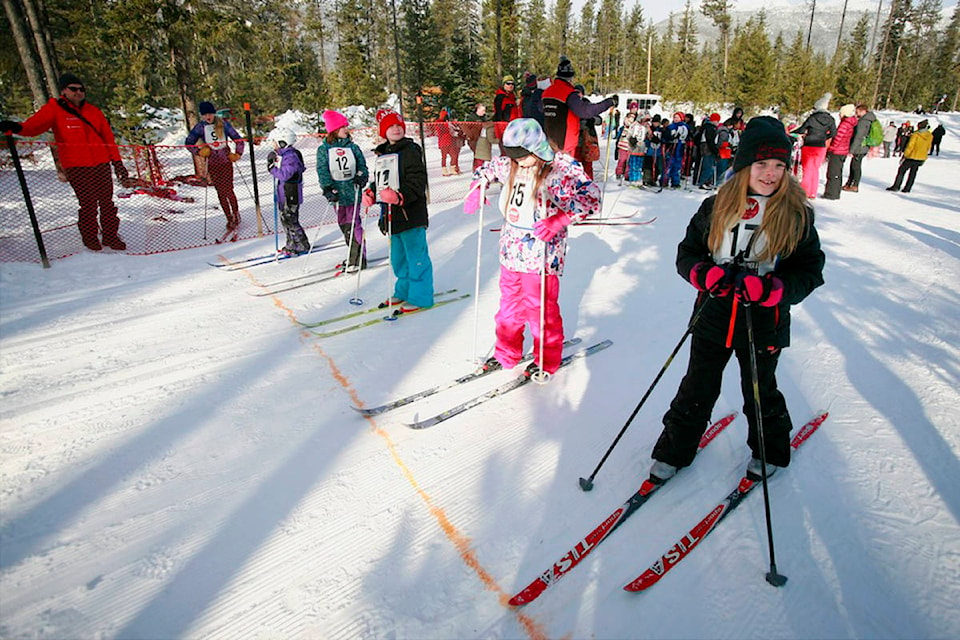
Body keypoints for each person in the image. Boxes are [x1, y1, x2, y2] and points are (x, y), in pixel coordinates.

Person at [647, 116, 825, 484]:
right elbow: (687, 254)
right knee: (697, 386)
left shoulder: (796, 214)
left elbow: (809, 272)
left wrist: (774, 290)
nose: (771, 173)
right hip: (713, 316)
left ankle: (769, 449)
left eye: (779, 165)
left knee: (759, 390)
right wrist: (705, 274)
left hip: (764, 323)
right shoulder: (716, 206)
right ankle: (674, 450)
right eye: (761, 164)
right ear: (744, 165)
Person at [464, 118, 600, 377]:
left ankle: (546, 358)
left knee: (540, 309)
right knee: (509, 307)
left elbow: (591, 197)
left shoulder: (560, 168)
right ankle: (506, 352)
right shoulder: (511, 164)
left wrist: (561, 218)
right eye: (513, 156)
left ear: (537, 147)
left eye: (523, 156)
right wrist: (477, 187)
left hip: (541, 254)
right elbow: (487, 169)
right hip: (511, 250)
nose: (519, 161)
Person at [1, 72, 132, 251]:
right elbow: (34, 126)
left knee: (107, 202)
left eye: (81, 89)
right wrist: (18, 127)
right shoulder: (54, 109)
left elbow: (107, 138)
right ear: (64, 90)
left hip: (100, 163)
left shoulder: (93, 112)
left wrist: (117, 163)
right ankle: (90, 236)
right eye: (73, 89)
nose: (78, 92)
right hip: (77, 166)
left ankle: (110, 235)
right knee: (88, 203)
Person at [362, 110, 433, 312]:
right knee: (398, 259)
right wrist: (371, 192)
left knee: (416, 257)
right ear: (383, 131)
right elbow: (382, 180)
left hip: (410, 214)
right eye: (390, 126)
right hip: (392, 217)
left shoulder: (411, 151)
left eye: (399, 125)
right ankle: (403, 290)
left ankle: (421, 296)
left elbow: (417, 181)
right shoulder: (383, 153)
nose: (396, 128)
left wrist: (400, 196)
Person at [185, 101, 245, 243]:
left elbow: (238, 140)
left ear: (214, 113)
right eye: (205, 114)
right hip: (212, 164)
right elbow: (188, 142)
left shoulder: (223, 124)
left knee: (228, 190)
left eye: (210, 113)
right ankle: (228, 218)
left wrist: (237, 154)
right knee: (220, 192)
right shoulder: (200, 127)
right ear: (201, 115)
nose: (208, 117)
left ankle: (236, 215)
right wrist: (199, 151)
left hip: (225, 162)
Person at [317, 109, 368, 270]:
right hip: (337, 194)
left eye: (346, 126)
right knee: (343, 224)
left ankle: (359, 258)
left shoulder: (353, 147)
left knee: (354, 223)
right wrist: (327, 188)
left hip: (352, 191)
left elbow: (362, 166)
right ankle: (353, 254)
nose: (346, 129)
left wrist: (362, 177)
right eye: (342, 127)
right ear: (333, 130)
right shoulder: (324, 149)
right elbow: (322, 170)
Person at [542, 57, 617, 157]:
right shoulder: (568, 93)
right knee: (565, 171)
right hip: (565, 145)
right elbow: (586, 111)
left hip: (549, 141)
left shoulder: (546, 92)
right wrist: (609, 102)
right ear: (570, 78)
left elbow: (540, 108)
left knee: (552, 171)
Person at [266, 127, 310, 256]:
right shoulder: (283, 155)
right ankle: (291, 242)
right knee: (285, 219)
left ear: (282, 141)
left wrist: (271, 168)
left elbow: (286, 174)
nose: (272, 145)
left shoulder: (291, 156)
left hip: (290, 193)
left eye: (274, 142)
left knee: (290, 219)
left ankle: (301, 243)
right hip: (283, 193)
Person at [792, 93, 835, 199]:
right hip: (820, 147)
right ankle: (812, 193)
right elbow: (834, 133)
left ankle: (804, 191)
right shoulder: (830, 119)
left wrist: (793, 132)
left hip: (809, 145)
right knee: (815, 169)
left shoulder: (812, 118)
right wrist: (824, 137)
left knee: (807, 169)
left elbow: (802, 129)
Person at [886, 119, 933, 193]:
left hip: (911, 156)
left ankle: (896, 186)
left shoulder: (916, 135)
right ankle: (907, 188)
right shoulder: (929, 135)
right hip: (921, 157)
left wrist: (905, 155)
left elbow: (910, 146)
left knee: (901, 171)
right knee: (913, 173)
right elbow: (928, 146)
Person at [823, 104, 856, 200]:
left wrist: (831, 148)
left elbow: (838, 138)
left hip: (837, 151)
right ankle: (835, 192)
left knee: (833, 173)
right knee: (837, 172)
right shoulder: (850, 123)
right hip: (843, 150)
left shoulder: (845, 124)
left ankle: (831, 194)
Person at [843, 104, 877, 193]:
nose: (856, 113)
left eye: (857, 112)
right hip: (863, 146)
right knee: (854, 165)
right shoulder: (869, 120)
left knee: (855, 167)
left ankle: (854, 185)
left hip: (860, 148)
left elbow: (858, 137)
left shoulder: (863, 122)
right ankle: (850, 183)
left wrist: (851, 150)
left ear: (863, 111)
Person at [573, 84, 601, 179]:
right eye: (575, 92)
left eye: (579, 92)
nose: (577, 95)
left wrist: (591, 119)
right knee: (575, 165)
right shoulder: (571, 105)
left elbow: (599, 120)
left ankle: (588, 185)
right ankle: (576, 184)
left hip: (589, 141)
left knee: (588, 165)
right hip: (576, 141)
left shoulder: (588, 105)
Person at [464, 103, 495, 171]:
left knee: (479, 154)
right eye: (482, 110)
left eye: (484, 110)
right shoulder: (472, 117)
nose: (484, 112)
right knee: (477, 154)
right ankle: (477, 168)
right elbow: (465, 127)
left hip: (481, 139)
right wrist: (470, 136)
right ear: (477, 109)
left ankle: (480, 168)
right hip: (473, 139)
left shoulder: (483, 117)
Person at [436, 107, 464, 176]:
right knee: (444, 156)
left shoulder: (448, 122)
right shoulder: (439, 123)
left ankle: (453, 168)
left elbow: (452, 129)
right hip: (443, 142)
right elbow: (442, 131)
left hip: (450, 141)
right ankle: (444, 169)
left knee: (453, 155)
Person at [697, 113, 721, 189]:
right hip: (707, 148)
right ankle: (703, 182)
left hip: (707, 147)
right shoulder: (710, 128)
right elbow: (710, 140)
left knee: (709, 165)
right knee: (707, 165)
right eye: (717, 121)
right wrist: (715, 150)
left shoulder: (708, 127)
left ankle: (707, 181)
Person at [493, 75, 521, 141]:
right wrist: (501, 130)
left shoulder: (513, 97)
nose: (510, 85)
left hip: (514, 127)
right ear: (504, 85)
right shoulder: (501, 97)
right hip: (505, 128)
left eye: (512, 84)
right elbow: (498, 114)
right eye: (508, 83)